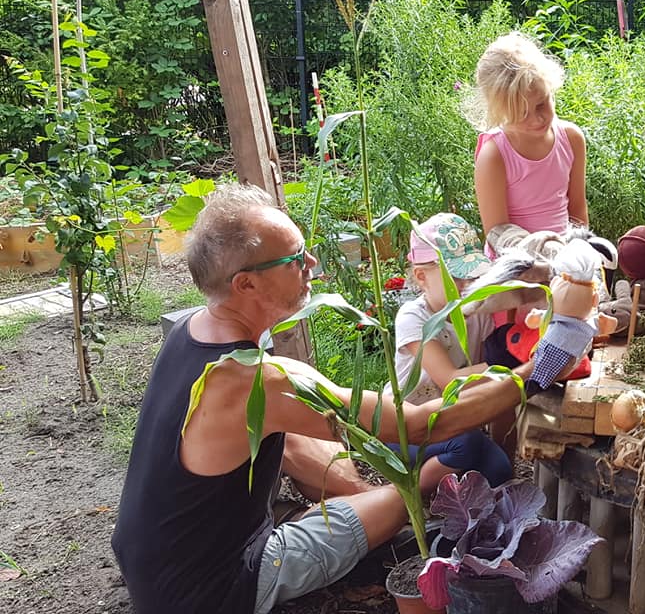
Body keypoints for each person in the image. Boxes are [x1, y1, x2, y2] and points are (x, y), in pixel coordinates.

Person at [110, 186, 572, 614]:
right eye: (294, 258)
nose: (311, 261)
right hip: (212, 590)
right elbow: (419, 425)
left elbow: (289, 439)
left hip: (152, 562)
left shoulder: (193, 331)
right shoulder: (259, 380)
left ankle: (339, 514)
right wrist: (538, 370)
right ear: (245, 285)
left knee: (326, 453)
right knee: (402, 500)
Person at [394, 212, 513, 492]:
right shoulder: (414, 317)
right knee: (467, 446)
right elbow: (449, 380)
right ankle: (408, 495)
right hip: (407, 427)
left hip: (453, 423)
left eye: (471, 274)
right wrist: (508, 362)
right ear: (421, 277)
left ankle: (448, 490)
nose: (465, 284)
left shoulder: (477, 314)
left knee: (500, 471)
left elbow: (486, 384)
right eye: (454, 276)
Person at [472, 32, 589, 256]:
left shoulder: (571, 139)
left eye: (542, 104)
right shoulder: (494, 155)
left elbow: (577, 211)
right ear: (499, 112)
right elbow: (498, 233)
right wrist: (544, 256)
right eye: (522, 113)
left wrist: (579, 255)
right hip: (517, 267)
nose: (538, 119)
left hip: (565, 259)